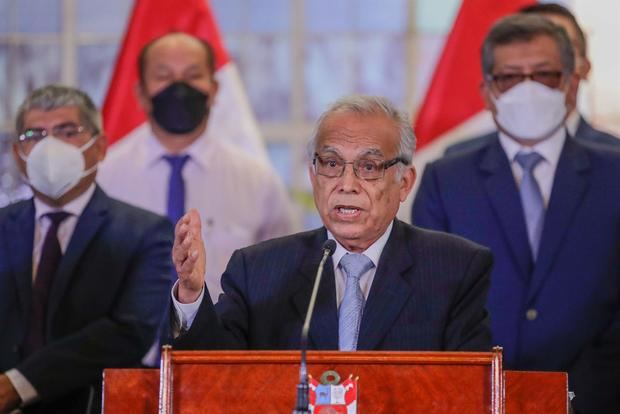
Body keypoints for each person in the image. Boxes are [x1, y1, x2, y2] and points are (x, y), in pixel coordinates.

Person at [170, 95, 492, 354]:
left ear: (404, 183)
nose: (346, 184)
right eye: (333, 164)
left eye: (368, 166)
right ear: (314, 176)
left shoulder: (454, 269)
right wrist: (191, 294)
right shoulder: (257, 270)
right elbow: (215, 373)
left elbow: (468, 390)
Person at [412, 15, 620, 413]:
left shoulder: (614, 175)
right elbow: (430, 303)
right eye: (510, 77)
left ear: (571, 83)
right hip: (476, 398)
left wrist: (579, 397)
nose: (527, 89)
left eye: (543, 75)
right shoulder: (446, 179)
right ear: (488, 92)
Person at [0, 85, 173, 414]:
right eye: (34, 134)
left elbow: (130, 331)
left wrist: (18, 384)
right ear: (17, 155)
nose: (49, 146)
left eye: (67, 131)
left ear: (100, 147)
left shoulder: (145, 232)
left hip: (95, 405)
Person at [97, 32, 295, 304]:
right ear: (140, 93)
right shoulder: (104, 177)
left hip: (224, 342)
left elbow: (286, 278)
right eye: (164, 76)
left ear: (214, 90)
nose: (179, 88)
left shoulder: (257, 181)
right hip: (124, 345)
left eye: (192, 76)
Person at [445, 3, 619, 156]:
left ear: (583, 68)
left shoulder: (614, 158)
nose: (531, 80)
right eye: (523, 47)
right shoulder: (456, 162)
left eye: (561, 46)